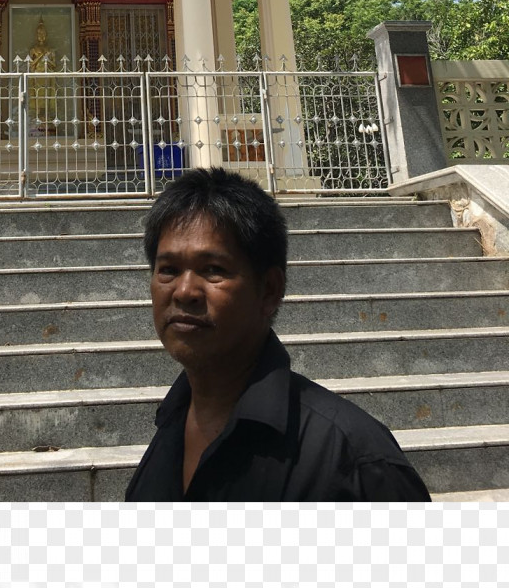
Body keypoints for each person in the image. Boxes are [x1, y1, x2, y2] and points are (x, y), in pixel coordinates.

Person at [125, 167, 431, 502]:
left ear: (269, 290)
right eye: (168, 270)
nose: (184, 292)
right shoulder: (171, 426)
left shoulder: (354, 459)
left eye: (214, 270)